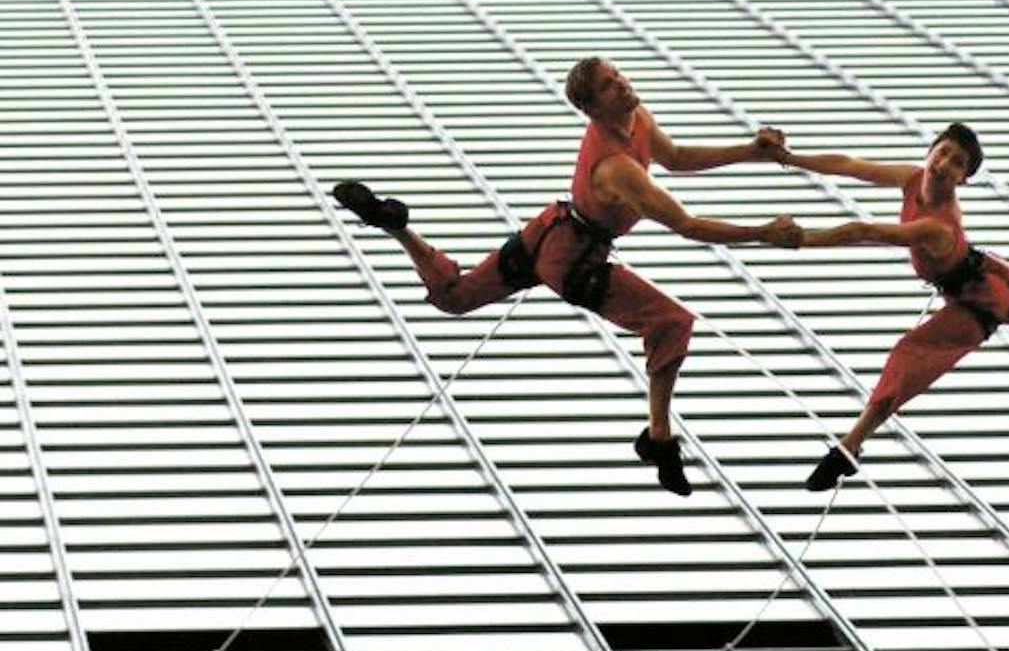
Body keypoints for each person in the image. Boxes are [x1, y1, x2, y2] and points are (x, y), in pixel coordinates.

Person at [332, 57, 801, 496]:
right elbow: (687, 225)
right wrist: (764, 233)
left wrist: (750, 150)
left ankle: (398, 229)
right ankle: (658, 438)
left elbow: (677, 157)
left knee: (456, 296)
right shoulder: (616, 169)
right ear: (592, 108)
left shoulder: (636, 117)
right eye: (609, 86)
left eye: (618, 75)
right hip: (574, 260)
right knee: (671, 322)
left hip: (552, 228)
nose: (623, 84)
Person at [772, 122, 1009, 491]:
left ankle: (849, 446)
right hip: (984, 275)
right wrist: (788, 158)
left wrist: (797, 239)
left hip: (979, 298)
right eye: (942, 153)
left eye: (957, 163)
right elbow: (847, 166)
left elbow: (865, 231)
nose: (943, 165)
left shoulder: (938, 226)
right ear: (929, 152)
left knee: (910, 358)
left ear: (964, 179)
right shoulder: (910, 177)